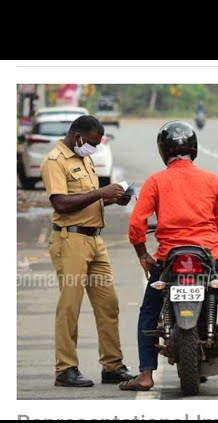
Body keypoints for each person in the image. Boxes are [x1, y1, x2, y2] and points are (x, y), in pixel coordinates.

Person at [120, 120, 218, 391]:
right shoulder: (210, 179)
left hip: (168, 259)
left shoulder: (156, 181)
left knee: (149, 310)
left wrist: (142, 253)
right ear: (193, 149)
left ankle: (146, 375)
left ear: (163, 151)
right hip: (209, 255)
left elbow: (137, 223)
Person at [40, 115, 135, 387]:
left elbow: (90, 202)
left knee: (109, 305)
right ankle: (66, 369)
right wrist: (100, 193)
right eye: (91, 142)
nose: (93, 148)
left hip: (95, 240)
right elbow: (61, 204)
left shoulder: (85, 159)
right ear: (78, 136)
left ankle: (112, 365)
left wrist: (115, 199)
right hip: (70, 241)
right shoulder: (54, 161)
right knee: (70, 306)